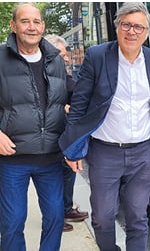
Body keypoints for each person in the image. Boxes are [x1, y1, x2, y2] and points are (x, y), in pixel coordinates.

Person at [60, 2, 150, 251]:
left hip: (142, 152)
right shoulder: (98, 56)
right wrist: (72, 147)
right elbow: (79, 103)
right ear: (117, 26)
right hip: (104, 151)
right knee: (102, 217)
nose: (132, 32)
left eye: (138, 27)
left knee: (138, 217)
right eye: (126, 25)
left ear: (147, 32)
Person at [0, 3, 69, 250]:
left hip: (50, 157)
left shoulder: (56, 61)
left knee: (55, 218)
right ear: (14, 25)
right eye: (25, 21)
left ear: (43, 26)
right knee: (12, 222)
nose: (32, 27)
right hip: (12, 159)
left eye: (37, 21)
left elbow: (69, 100)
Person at [44, 34, 89, 233]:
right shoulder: (41, 75)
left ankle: (66, 209)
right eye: (62, 56)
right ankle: (55, 218)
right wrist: (63, 108)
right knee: (53, 181)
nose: (67, 59)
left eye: (66, 55)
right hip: (49, 138)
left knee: (69, 173)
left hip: (65, 135)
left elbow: (77, 93)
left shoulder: (65, 75)